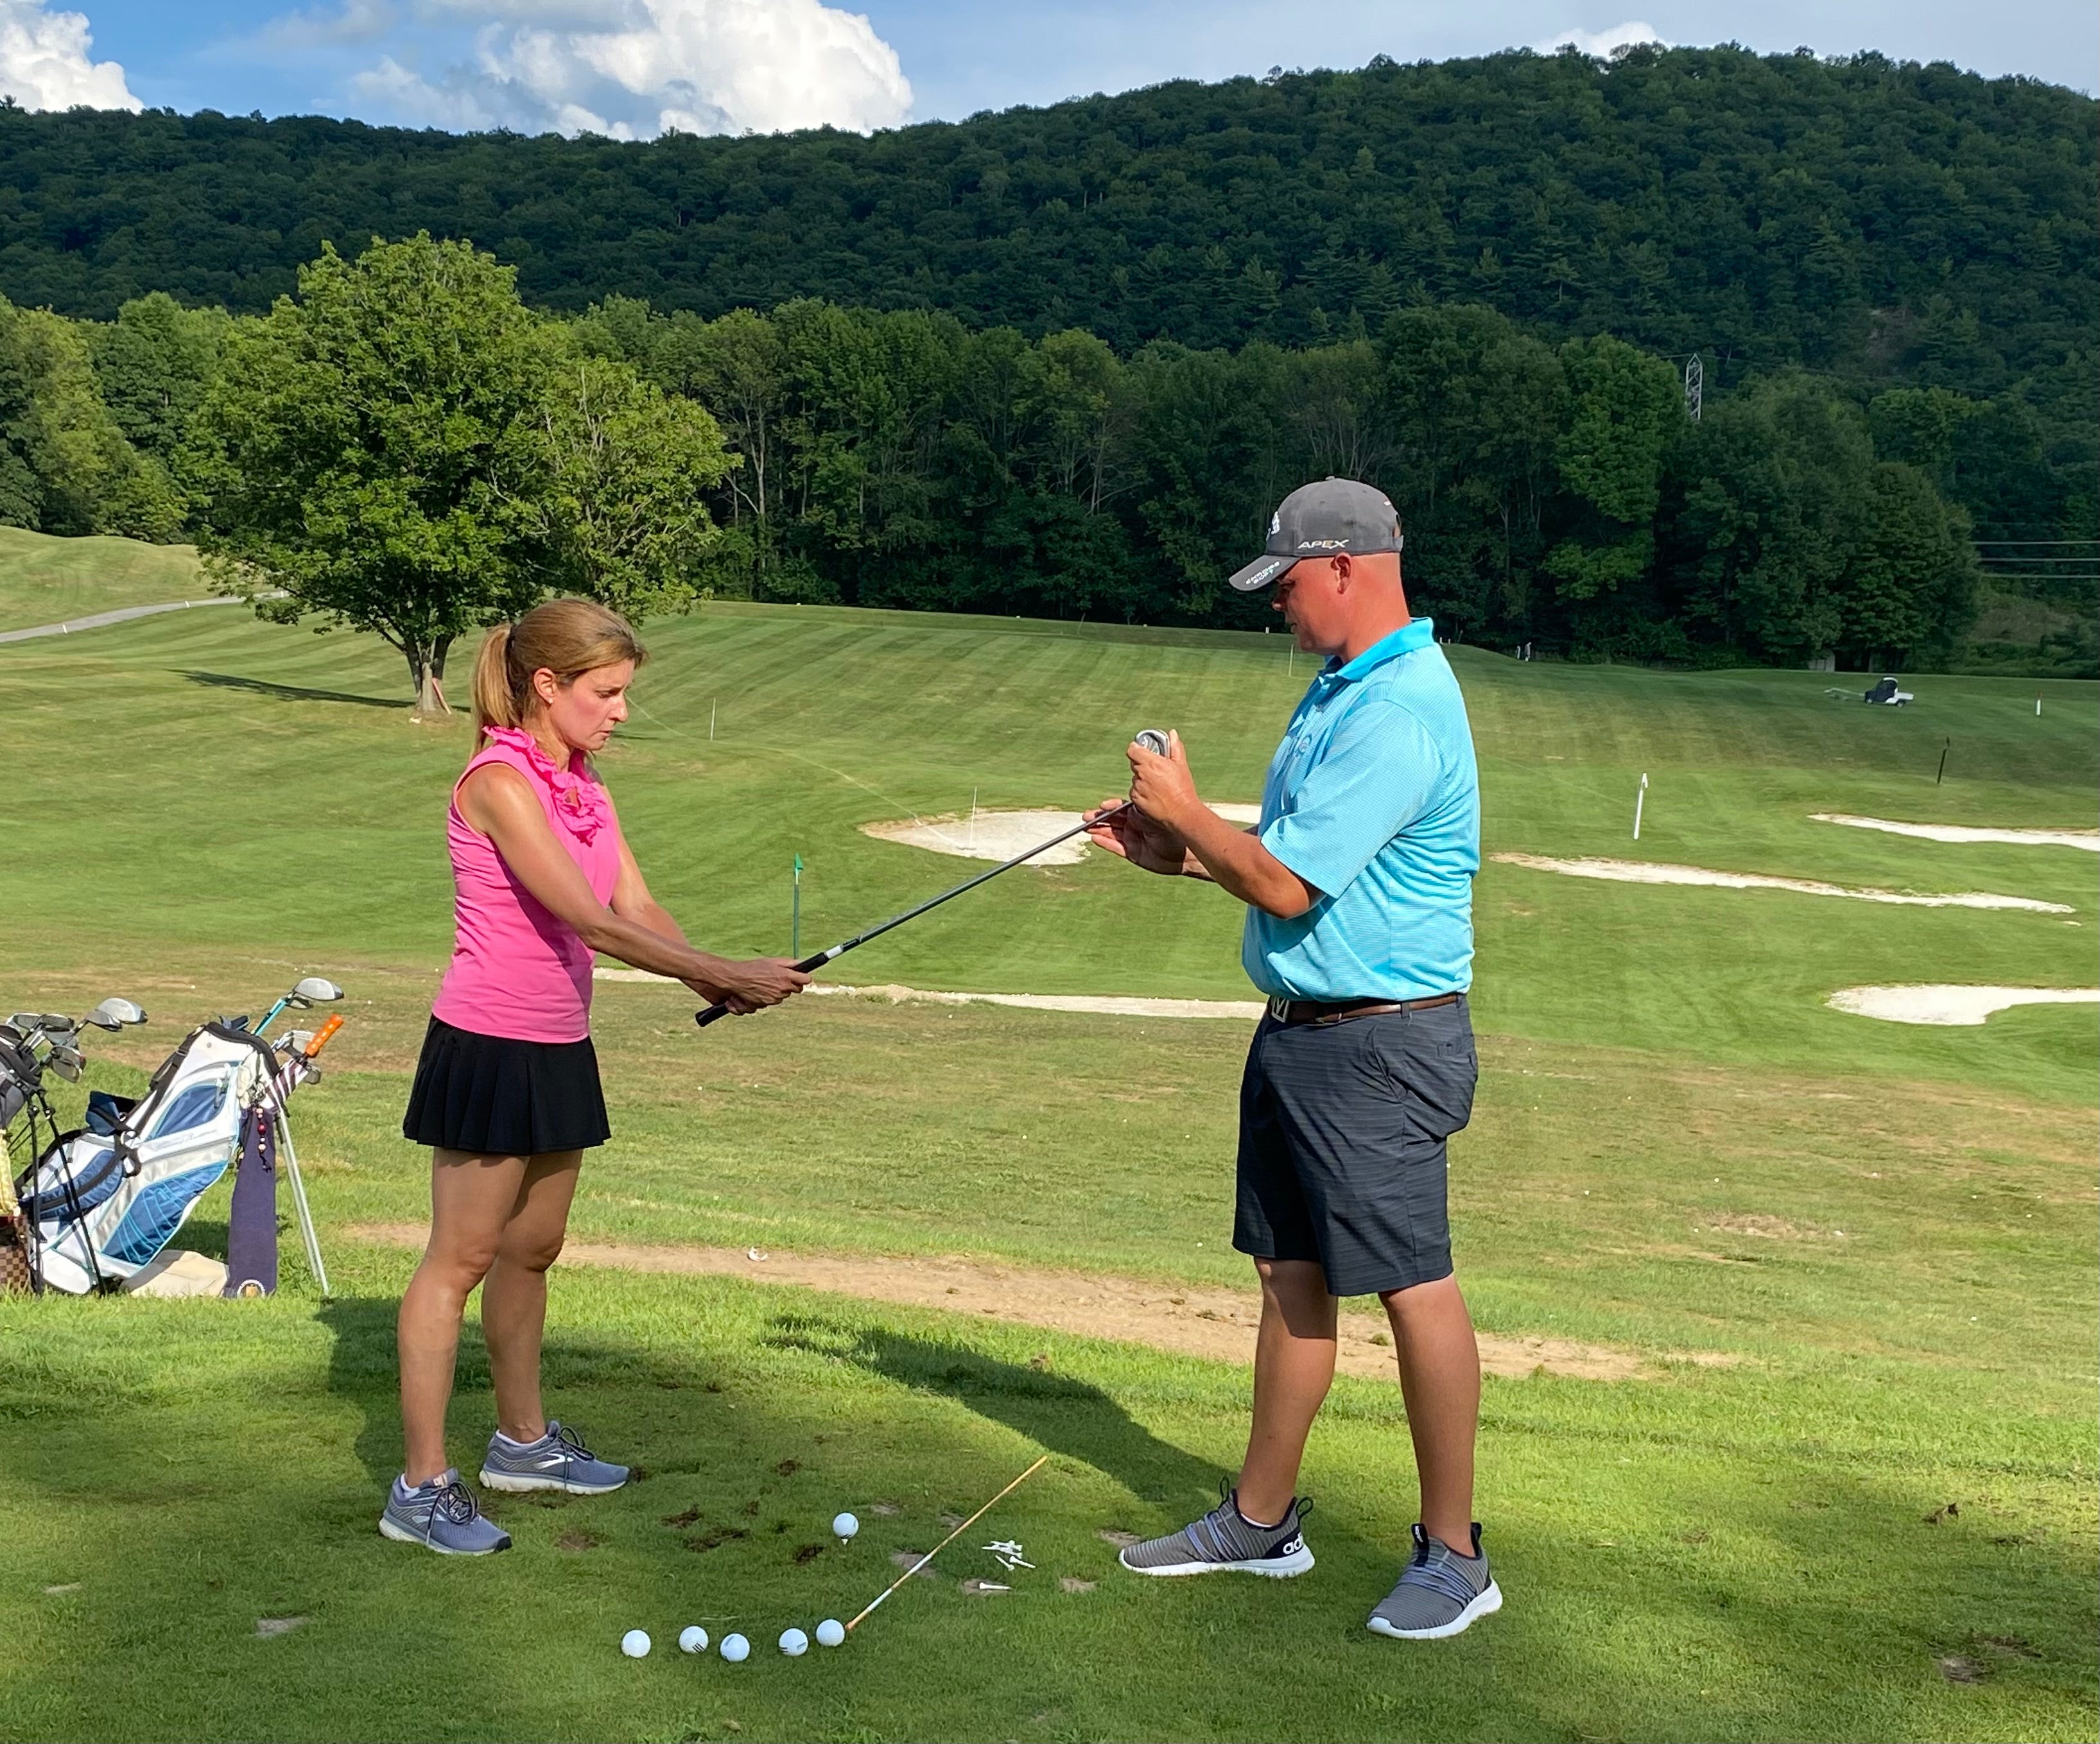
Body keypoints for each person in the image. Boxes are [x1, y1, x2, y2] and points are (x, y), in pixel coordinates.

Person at [1086, 478, 1497, 1640]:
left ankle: (1457, 1554)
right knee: (1290, 1277)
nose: (1276, 607)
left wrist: (1184, 803)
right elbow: (1290, 857)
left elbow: (1288, 884)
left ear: (1346, 569)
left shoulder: (1397, 711)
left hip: (1381, 1043)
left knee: (1414, 1287)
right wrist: (1175, 850)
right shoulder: (1340, 691)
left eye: (1284, 585)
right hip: (1306, 1036)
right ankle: (1261, 1523)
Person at [383, 598, 808, 1555]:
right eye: (605, 692)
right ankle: (419, 1484)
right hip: (488, 1043)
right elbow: (586, 918)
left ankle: (522, 1445)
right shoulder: (499, 781)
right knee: (458, 1261)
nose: (620, 710)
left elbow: (636, 901)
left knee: (535, 1248)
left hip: (559, 1042)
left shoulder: (584, 785)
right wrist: (719, 973)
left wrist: (714, 968)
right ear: (547, 684)